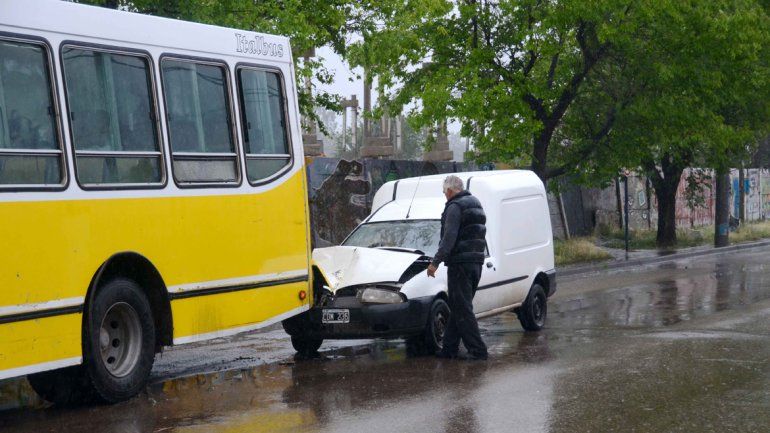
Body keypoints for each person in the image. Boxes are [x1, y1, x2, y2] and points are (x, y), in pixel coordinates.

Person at [427, 175, 488, 360]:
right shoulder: (475, 203)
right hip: (476, 262)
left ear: (450, 191)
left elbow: (449, 237)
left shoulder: (455, 206)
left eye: (445, 192)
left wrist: (435, 262)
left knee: (463, 309)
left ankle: (478, 350)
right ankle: (449, 349)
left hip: (460, 264)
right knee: (459, 307)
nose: (445, 196)